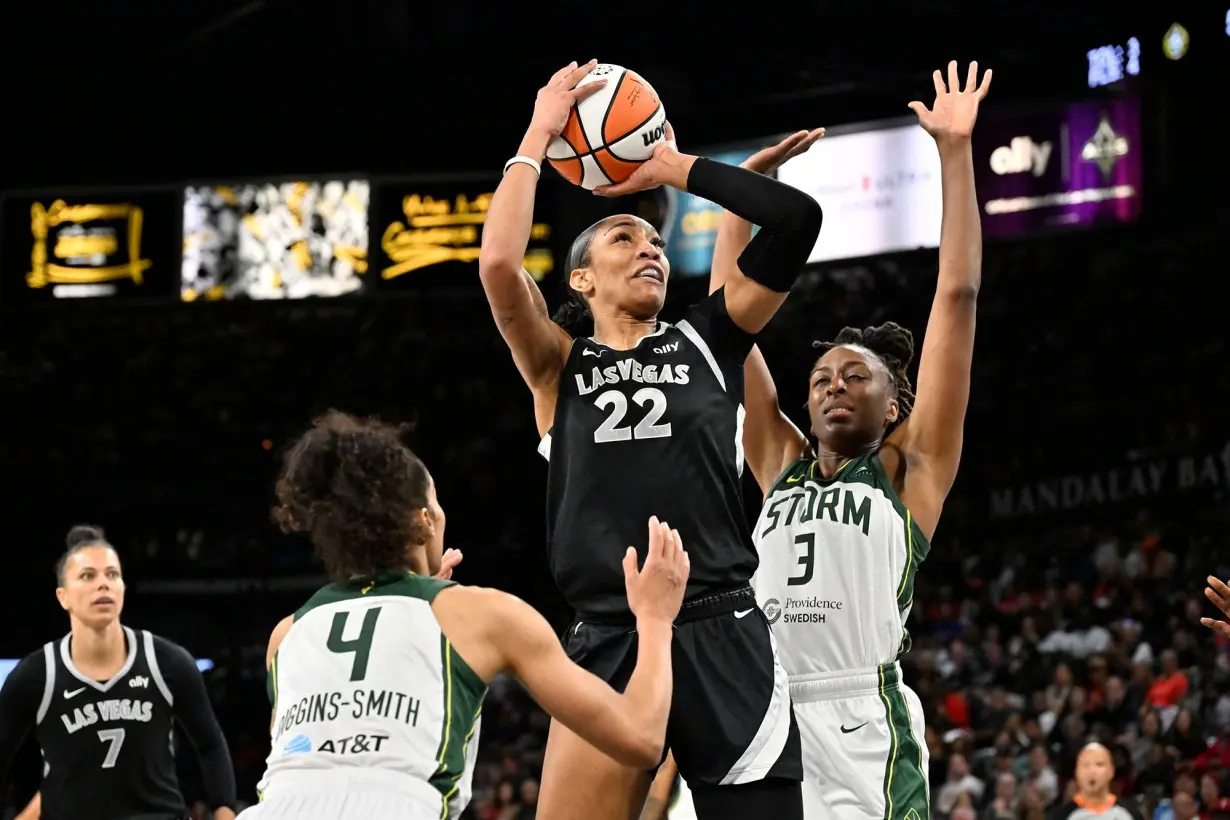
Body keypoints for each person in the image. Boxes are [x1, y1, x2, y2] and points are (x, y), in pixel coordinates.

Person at [479, 57, 823, 820]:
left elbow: (798, 220)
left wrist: (671, 167)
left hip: (722, 624)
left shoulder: (711, 338)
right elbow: (500, 264)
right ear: (581, 281)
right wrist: (540, 130)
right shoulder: (557, 366)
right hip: (608, 637)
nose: (650, 249)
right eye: (623, 238)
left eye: (656, 243)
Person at [707, 61, 991, 819]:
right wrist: (744, 194)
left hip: (862, 720)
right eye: (824, 377)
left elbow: (957, 297)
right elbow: (726, 324)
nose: (833, 384)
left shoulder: (912, 470)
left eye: (855, 377)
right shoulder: (779, 461)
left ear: (897, 401)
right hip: (764, 715)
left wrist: (955, 153)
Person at [239, 410, 690, 820]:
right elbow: (641, 736)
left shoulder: (288, 633)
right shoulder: (482, 613)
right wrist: (653, 618)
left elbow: (328, 756)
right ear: (423, 520)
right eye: (436, 503)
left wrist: (424, 592)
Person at [0, 526, 238, 820]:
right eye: (88, 575)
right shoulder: (36, 674)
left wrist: (225, 811)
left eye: (112, 575)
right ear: (63, 597)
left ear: (123, 588)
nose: (103, 584)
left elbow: (210, 743)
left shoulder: (167, 661)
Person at [1046, 743, 1143, 820]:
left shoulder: (1130, 815)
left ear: (1111, 771)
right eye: (1086, 765)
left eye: (1099, 765)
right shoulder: (1061, 816)